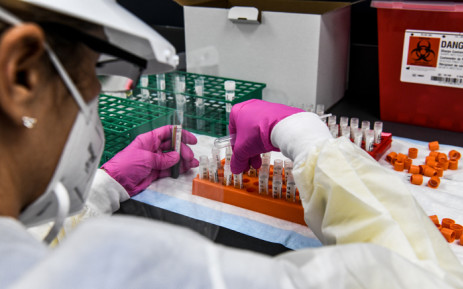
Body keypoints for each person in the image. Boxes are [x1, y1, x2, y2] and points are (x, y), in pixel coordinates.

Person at [0, 1, 462, 289]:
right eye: (93, 78)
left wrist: (105, 187)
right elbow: (424, 279)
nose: (98, 99)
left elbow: (35, 253)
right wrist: (307, 139)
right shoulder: (133, 268)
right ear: (22, 73)